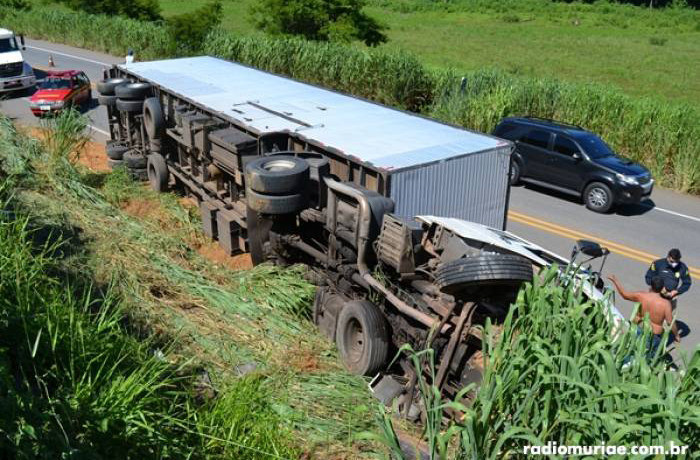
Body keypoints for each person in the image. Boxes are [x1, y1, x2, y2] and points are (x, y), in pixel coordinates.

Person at [609, 275, 679, 360]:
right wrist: (676, 335)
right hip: (653, 336)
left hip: (636, 329)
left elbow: (624, 295)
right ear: (662, 288)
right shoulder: (665, 304)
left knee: (628, 354)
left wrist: (615, 281)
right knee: (647, 359)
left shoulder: (641, 295)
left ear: (651, 286)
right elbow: (670, 322)